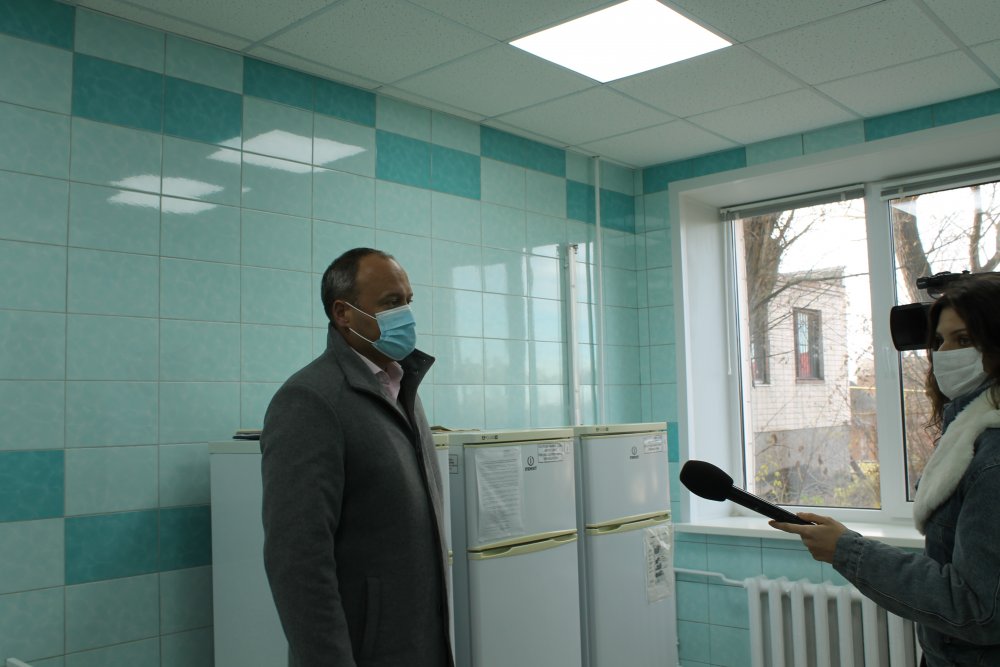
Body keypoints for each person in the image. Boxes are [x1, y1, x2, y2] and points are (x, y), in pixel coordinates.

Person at [771, 273, 1000, 667]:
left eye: (963, 339)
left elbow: (978, 609)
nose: (944, 354)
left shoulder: (992, 458)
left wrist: (847, 550)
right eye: (939, 341)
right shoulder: (969, 433)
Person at [260, 247, 452, 667]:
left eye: (408, 300)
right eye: (391, 302)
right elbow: (298, 561)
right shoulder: (310, 400)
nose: (406, 314)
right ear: (343, 313)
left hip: (420, 644)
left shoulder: (400, 387)